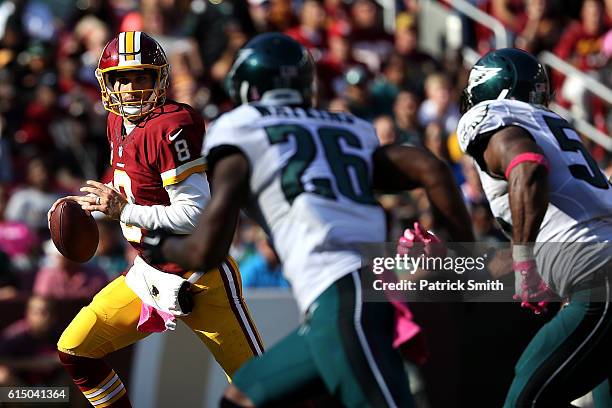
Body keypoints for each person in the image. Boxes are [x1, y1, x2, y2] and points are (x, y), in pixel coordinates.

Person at [146, 33, 473, 407]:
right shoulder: (349, 127)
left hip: (344, 293)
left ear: (248, 89)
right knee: (243, 397)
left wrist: (163, 246)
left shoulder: (241, 126)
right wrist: (463, 257)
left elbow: (207, 250)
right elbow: (429, 166)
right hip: (349, 298)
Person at [48, 31, 263, 408]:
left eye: (141, 77)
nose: (131, 88)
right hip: (149, 274)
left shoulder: (172, 125)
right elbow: (133, 181)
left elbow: (195, 215)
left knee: (264, 388)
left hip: (200, 278)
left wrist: (123, 211)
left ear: (159, 79)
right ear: (107, 83)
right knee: (76, 350)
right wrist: (99, 198)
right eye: (122, 79)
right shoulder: (117, 123)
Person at [457, 47, 612, 407]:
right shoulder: (551, 125)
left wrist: (525, 262)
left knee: (526, 396)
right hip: (595, 269)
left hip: (597, 276)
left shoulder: (490, 116)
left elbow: (528, 166)